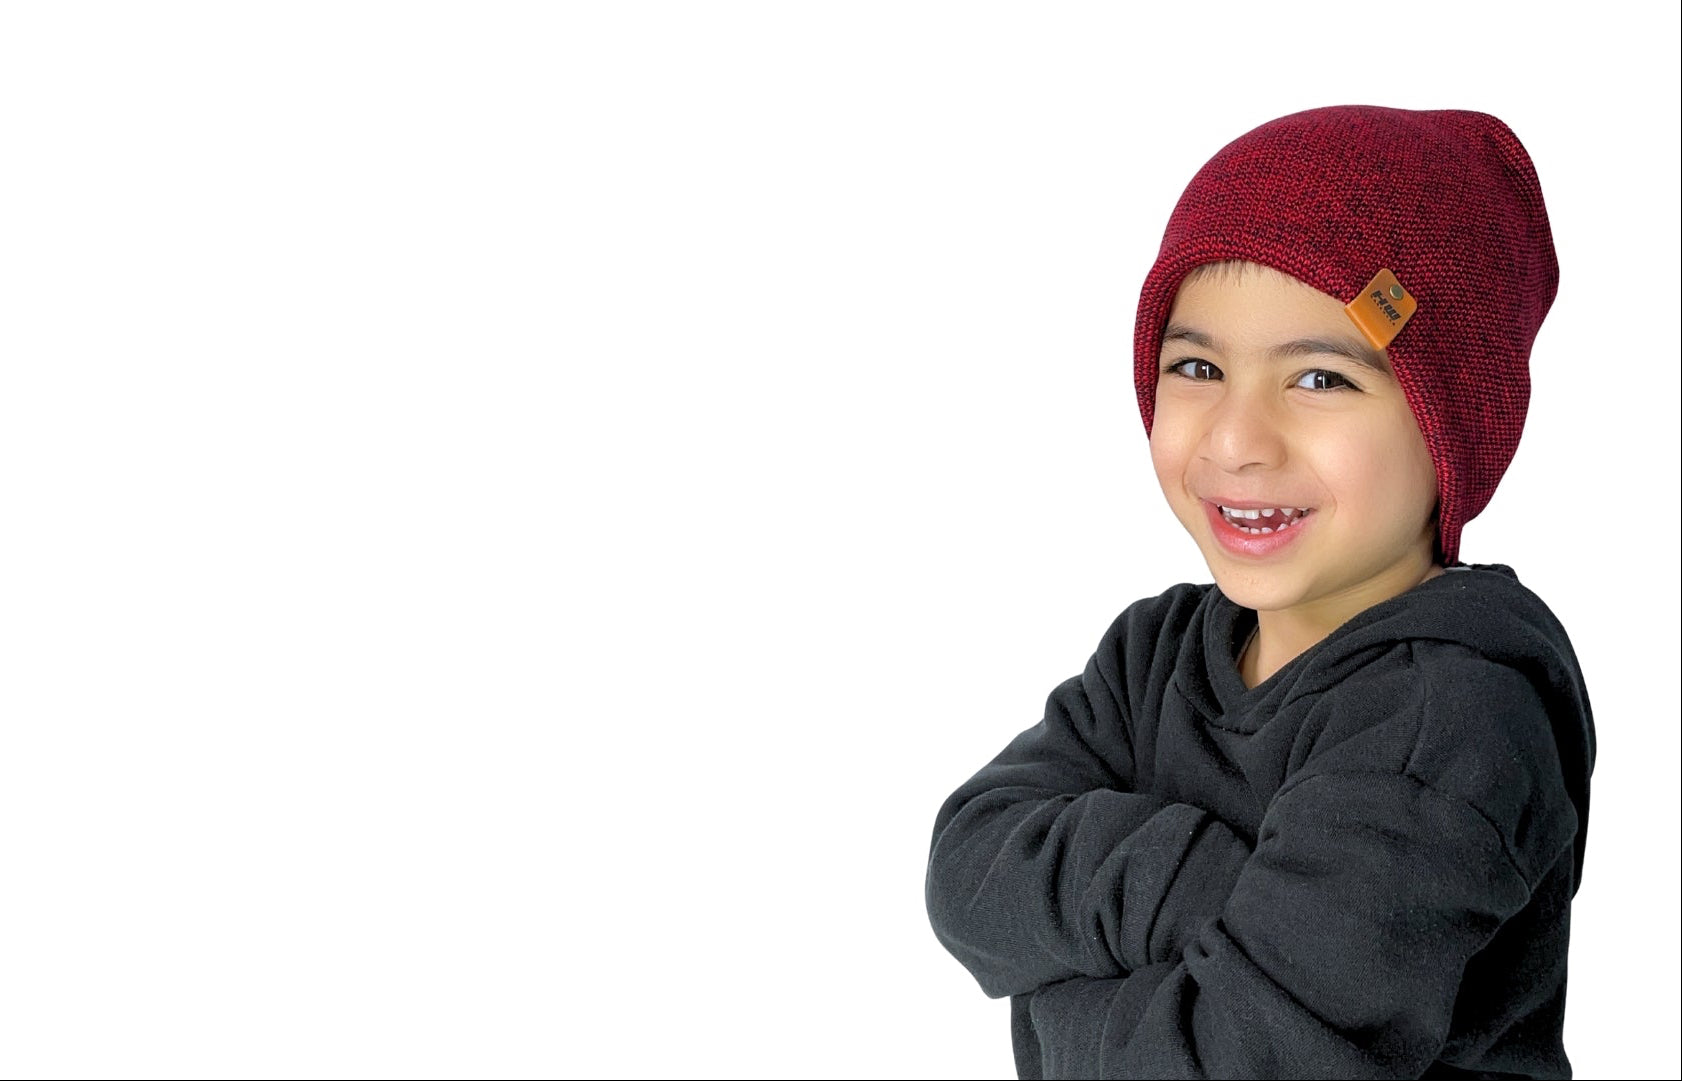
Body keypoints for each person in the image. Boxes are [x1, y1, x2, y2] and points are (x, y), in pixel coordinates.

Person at [923, 105, 1595, 1080]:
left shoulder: (1446, 719)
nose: (1236, 439)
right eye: (1196, 367)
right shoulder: (1155, 650)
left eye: (1319, 379)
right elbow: (967, 871)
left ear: (1450, 431)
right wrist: (1204, 888)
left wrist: (1052, 985)